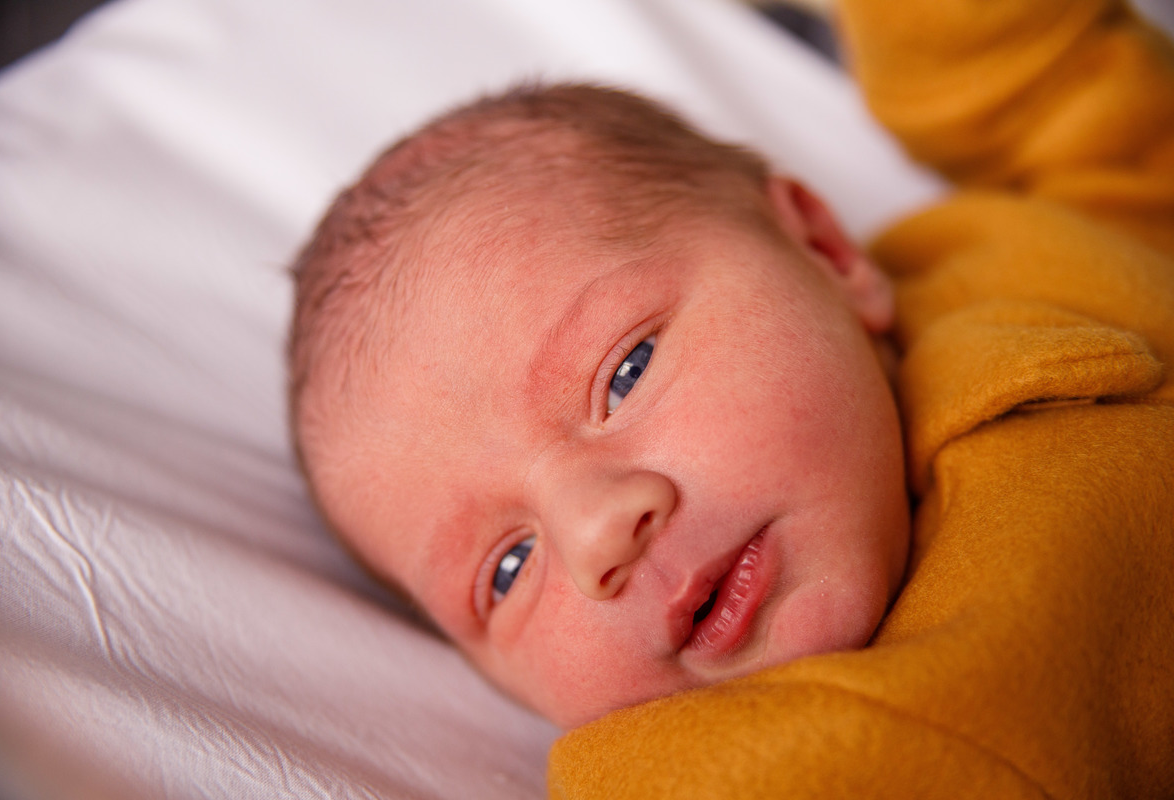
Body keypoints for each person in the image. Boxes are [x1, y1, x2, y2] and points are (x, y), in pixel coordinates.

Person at [290, 0, 1174, 793]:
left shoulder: (1008, 259)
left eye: (624, 373)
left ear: (826, 253)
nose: (597, 533)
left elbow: (1076, 112)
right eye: (507, 570)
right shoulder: (720, 770)